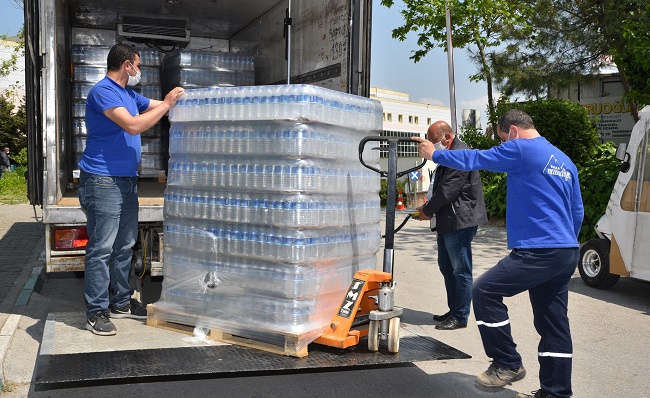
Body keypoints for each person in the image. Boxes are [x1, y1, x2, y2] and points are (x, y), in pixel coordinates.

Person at [413, 109, 583, 398]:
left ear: (514, 131)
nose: (503, 146)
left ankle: (507, 362)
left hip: (538, 250)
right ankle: (556, 393)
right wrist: (565, 242)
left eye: (503, 139)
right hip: (565, 251)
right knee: (553, 325)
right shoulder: (564, 161)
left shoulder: (520, 148)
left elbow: (475, 158)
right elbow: (577, 211)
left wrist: (435, 154)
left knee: (485, 291)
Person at [78, 43, 185, 336]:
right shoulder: (103, 91)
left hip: (125, 181)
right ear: (127, 65)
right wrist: (166, 104)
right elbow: (134, 126)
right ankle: (96, 311)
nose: (139, 70)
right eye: (137, 65)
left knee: (124, 245)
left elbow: (154, 106)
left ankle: (122, 302)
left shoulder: (128, 94)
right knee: (101, 248)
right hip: (102, 181)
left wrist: (173, 101)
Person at [416, 121, 487, 331]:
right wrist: (429, 207)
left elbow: (448, 190)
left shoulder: (460, 154)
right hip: (448, 220)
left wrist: (427, 211)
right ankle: (454, 309)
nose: (433, 146)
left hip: (459, 221)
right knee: (447, 267)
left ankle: (460, 316)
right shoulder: (450, 153)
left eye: (435, 141)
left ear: (447, 137)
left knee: (460, 269)